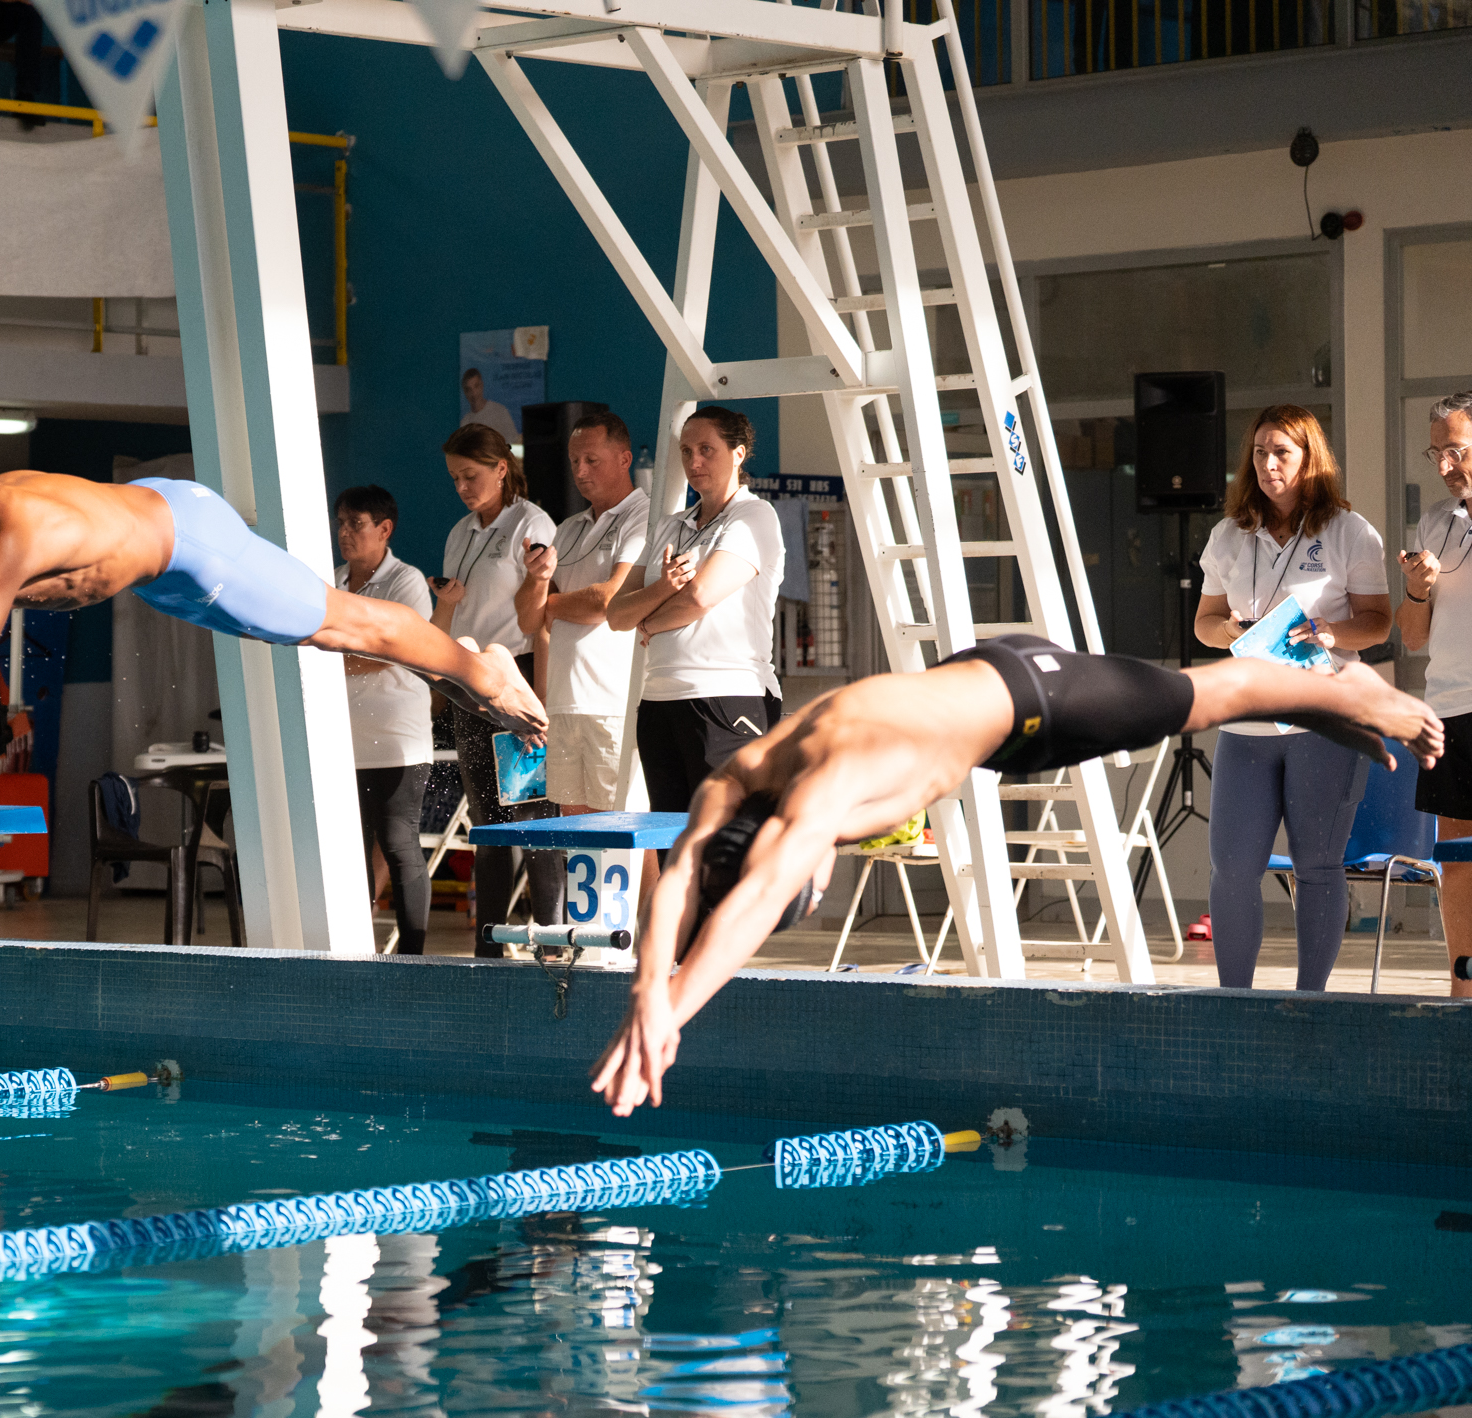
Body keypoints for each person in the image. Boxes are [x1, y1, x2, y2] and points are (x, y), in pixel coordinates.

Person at [590, 635, 1445, 1116]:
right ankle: (1326, 704)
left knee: (1211, 694)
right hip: (989, 702)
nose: (811, 883)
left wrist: (675, 1011)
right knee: (1228, 698)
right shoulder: (740, 776)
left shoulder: (821, 795)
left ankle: (1354, 686)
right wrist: (647, 997)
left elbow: (758, 889)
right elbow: (685, 867)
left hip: (1037, 699)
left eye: (804, 886)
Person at [0, 470, 548, 935]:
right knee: (328, 631)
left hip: (191, 546)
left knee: (336, 626)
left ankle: (480, 670)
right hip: (147, 544)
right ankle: (463, 670)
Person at [1194, 405, 1392, 992]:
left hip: (1323, 722)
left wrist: (1332, 634)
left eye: (1282, 452)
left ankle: (1311, 1004)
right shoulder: (1228, 535)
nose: (1268, 464)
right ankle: (1234, 1002)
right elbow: (1204, 623)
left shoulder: (1350, 532)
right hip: (1247, 725)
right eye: (1260, 452)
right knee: (1232, 869)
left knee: (1317, 866)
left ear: (1310, 459)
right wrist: (1228, 631)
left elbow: (1378, 622)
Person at [606, 406, 784, 837]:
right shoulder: (669, 526)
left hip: (726, 697)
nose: (694, 461)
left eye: (707, 449)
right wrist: (662, 589)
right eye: (686, 451)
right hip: (658, 702)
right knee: (673, 845)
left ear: (738, 454)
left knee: (722, 843)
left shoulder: (754, 516)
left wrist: (649, 624)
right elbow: (616, 614)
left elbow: (701, 596)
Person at [435, 423, 561, 954]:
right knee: (487, 822)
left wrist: (541, 698)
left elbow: (544, 618)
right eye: (454, 478)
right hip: (471, 683)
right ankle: (488, 946)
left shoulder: (530, 524)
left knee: (532, 819)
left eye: (471, 475)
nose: (462, 487)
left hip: (517, 677)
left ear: (502, 469)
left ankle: (551, 942)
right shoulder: (460, 532)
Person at [515, 410, 649, 817]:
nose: (580, 470)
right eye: (574, 460)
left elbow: (609, 602)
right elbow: (527, 621)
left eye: (592, 460)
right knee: (577, 835)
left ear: (625, 459)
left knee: (626, 828)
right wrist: (538, 580)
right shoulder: (568, 527)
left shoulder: (644, 516)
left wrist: (549, 604)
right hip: (564, 702)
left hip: (614, 702)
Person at [1395, 390, 1472, 997]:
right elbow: (1414, 638)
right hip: (1450, 709)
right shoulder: (1437, 523)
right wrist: (1417, 590)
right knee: (1458, 861)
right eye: (1436, 453)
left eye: (1457, 451)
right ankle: (1461, 995)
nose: (1444, 466)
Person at [335, 484, 434, 954]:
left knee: (397, 844)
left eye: (356, 524)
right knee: (346, 849)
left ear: (384, 529)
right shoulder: (331, 581)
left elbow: (390, 650)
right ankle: (353, 949)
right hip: (340, 740)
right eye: (341, 523)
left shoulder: (406, 581)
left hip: (397, 739)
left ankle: (413, 955)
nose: (344, 533)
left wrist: (326, 656)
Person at [459, 369, 519, 445]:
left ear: (482, 385)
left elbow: (514, 442)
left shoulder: (500, 412)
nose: (474, 393)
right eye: (469, 390)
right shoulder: (464, 424)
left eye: (476, 386)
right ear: (465, 392)